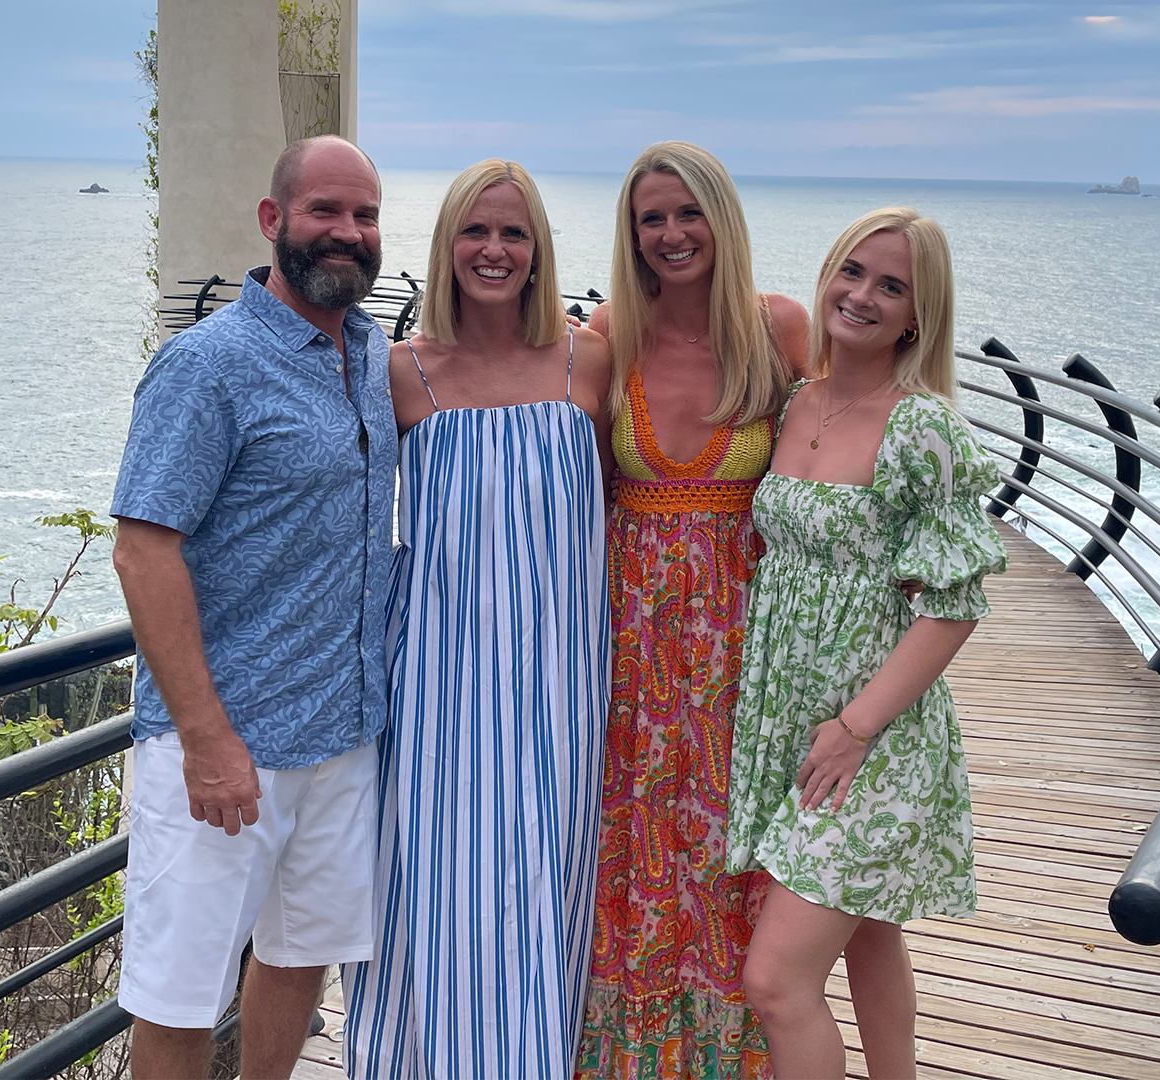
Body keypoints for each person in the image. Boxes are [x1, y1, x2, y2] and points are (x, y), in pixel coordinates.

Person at [108, 135, 394, 1080]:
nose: (347, 232)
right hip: (225, 747)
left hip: (343, 732)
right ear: (274, 221)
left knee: (299, 956)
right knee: (181, 993)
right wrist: (205, 737)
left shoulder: (368, 350)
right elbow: (144, 548)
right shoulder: (209, 366)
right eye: (325, 211)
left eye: (364, 215)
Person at [342, 159, 614, 1080]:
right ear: (446, 245)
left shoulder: (589, 360)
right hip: (440, 674)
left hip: (564, 674)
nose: (493, 250)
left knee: (551, 885)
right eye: (475, 231)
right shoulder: (404, 372)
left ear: (538, 252)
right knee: (437, 888)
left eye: (513, 233)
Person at [726, 207, 1006, 1080]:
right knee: (870, 932)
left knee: (775, 983)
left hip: (872, 736)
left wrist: (856, 727)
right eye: (853, 271)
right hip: (795, 722)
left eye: (892, 287)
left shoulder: (922, 428)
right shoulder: (794, 399)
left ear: (920, 316)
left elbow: (954, 605)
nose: (863, 295)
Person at [577, 141, 810, 1080]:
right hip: (629, 644)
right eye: (651, 218)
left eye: (687, 213)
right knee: (629, 848)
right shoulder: (609, 338)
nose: (671, 234)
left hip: (748, 647)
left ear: (722, 218)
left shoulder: (781, 330)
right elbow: (579, 494)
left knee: (732, 856)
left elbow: (853, 442)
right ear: (631, 236)